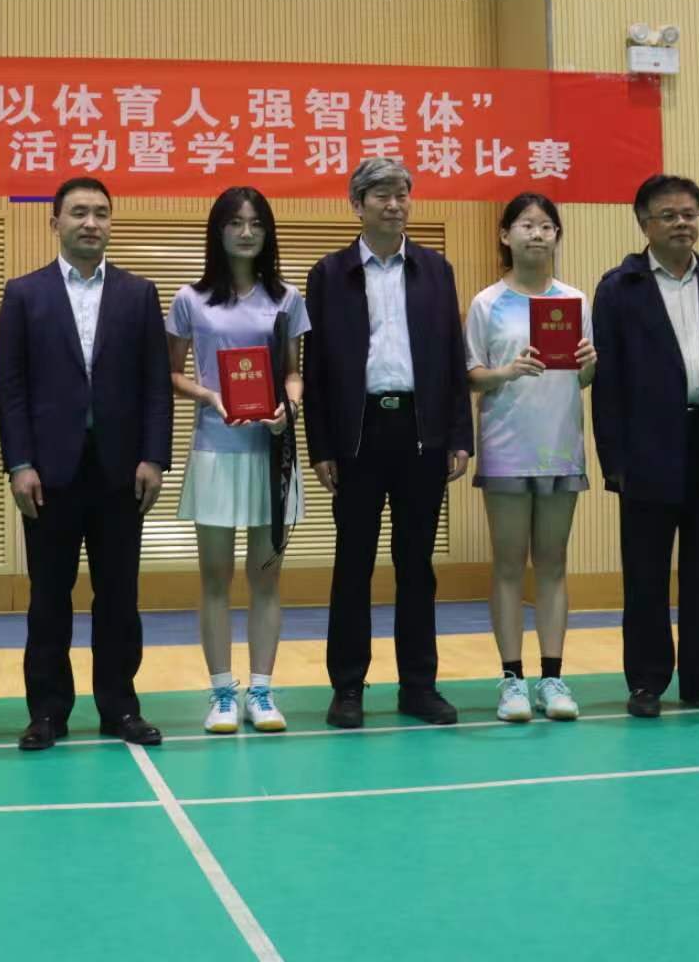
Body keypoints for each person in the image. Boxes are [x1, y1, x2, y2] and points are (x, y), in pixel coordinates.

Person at [0, 177, 173, 750]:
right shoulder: (24, 294)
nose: (90, 222)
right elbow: (11, 388)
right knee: (49, 596)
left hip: (122, 471)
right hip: (48, 474)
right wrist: (19, 463)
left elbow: (156, 384)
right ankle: (47, 712)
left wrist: (154, 457)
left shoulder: (139, 294)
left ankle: (120, 707)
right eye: (78, 212)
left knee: (119, 596)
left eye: (100, 212)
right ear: (56, 223)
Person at [303, 157, 472, 730]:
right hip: (357, 434)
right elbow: (315, 368)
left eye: (402, 194)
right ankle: (348, 688)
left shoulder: (436, 269)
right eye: (381, 195)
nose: (395, 204)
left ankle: (418, 686)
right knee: (353, 563)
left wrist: (459, 434)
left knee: (416, 565)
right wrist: (321, 446)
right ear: (357, 204)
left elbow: (452, 356)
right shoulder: (330, 274)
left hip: (421, 434)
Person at [592, 174, 699, 720]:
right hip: (647, 448)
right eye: (669, 215)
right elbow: (608, 384)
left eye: (689, 214)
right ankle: (646, 681)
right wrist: (613, 459)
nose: (682, 223)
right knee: (646, 573)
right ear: (644, 223)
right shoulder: (619, 287)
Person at [166, 187, 310, 734]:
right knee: (216, 579)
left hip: (271, 451)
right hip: (216, 451)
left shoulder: (287, 298)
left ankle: (262, 691)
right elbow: (172, 373)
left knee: (266, 578)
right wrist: (210, 396)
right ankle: (223, 692)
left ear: (268, 232)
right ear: (218, 230)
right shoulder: (190, 299)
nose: (246, 233)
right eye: (235, 222)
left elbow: (293, 372)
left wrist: (287, 408)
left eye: (256, 223)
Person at [464, 193, 598, 723]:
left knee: (553, 563)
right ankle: (512, 679)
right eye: (526, 224)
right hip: (506, 446)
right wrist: (507, 371)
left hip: (561, 446)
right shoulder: (487, 303)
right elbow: (472, 374)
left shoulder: (575, 300)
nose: (537, 234)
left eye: (546, 226)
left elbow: (582, 378)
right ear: (506, 235)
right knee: (507, 564)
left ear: (557, 236)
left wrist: (589, 362)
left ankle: (552, 677)